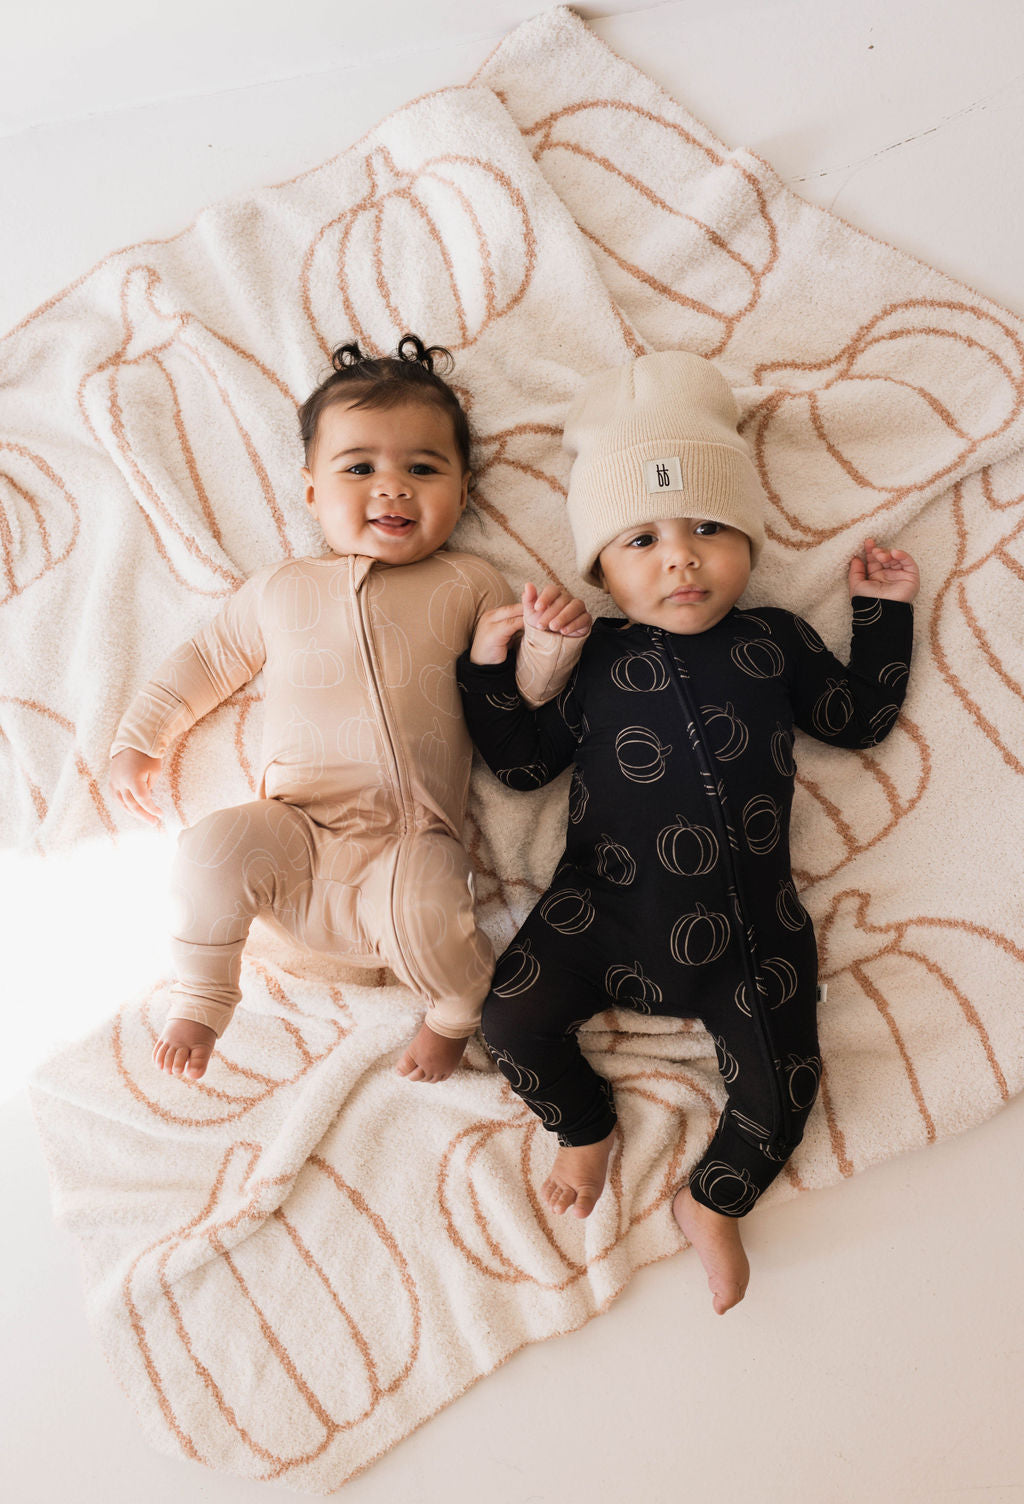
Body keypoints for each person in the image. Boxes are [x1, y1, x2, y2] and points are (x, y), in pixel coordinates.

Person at [457, 350, 919, 1313]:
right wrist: (490, 673)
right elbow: (521, 763)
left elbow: (857, 720)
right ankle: (583, 1126)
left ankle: (715, 1200)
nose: (682, 556)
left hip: (750, 932)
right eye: (644, 539)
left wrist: (882, 618)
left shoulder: (776, 641)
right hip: (604, 909)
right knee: (508, 1018)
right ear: (600, 565)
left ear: (749, 540)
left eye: (711, 527)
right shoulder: (590, 656)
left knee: (788, 1082)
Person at [109, 336, 590, 1085]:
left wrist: (546, 643)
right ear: (311, 491)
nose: (393, 487)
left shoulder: (469, 581)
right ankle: (204, 992)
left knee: (436, 910)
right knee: (210, 846)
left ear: (463, 494)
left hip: (408, 845)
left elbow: (518, 697)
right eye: (360, 467)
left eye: (423, 469)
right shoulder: (280, 588)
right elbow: (204, 663)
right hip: (294, 834)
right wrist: (140, 740)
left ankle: (452, 1014)